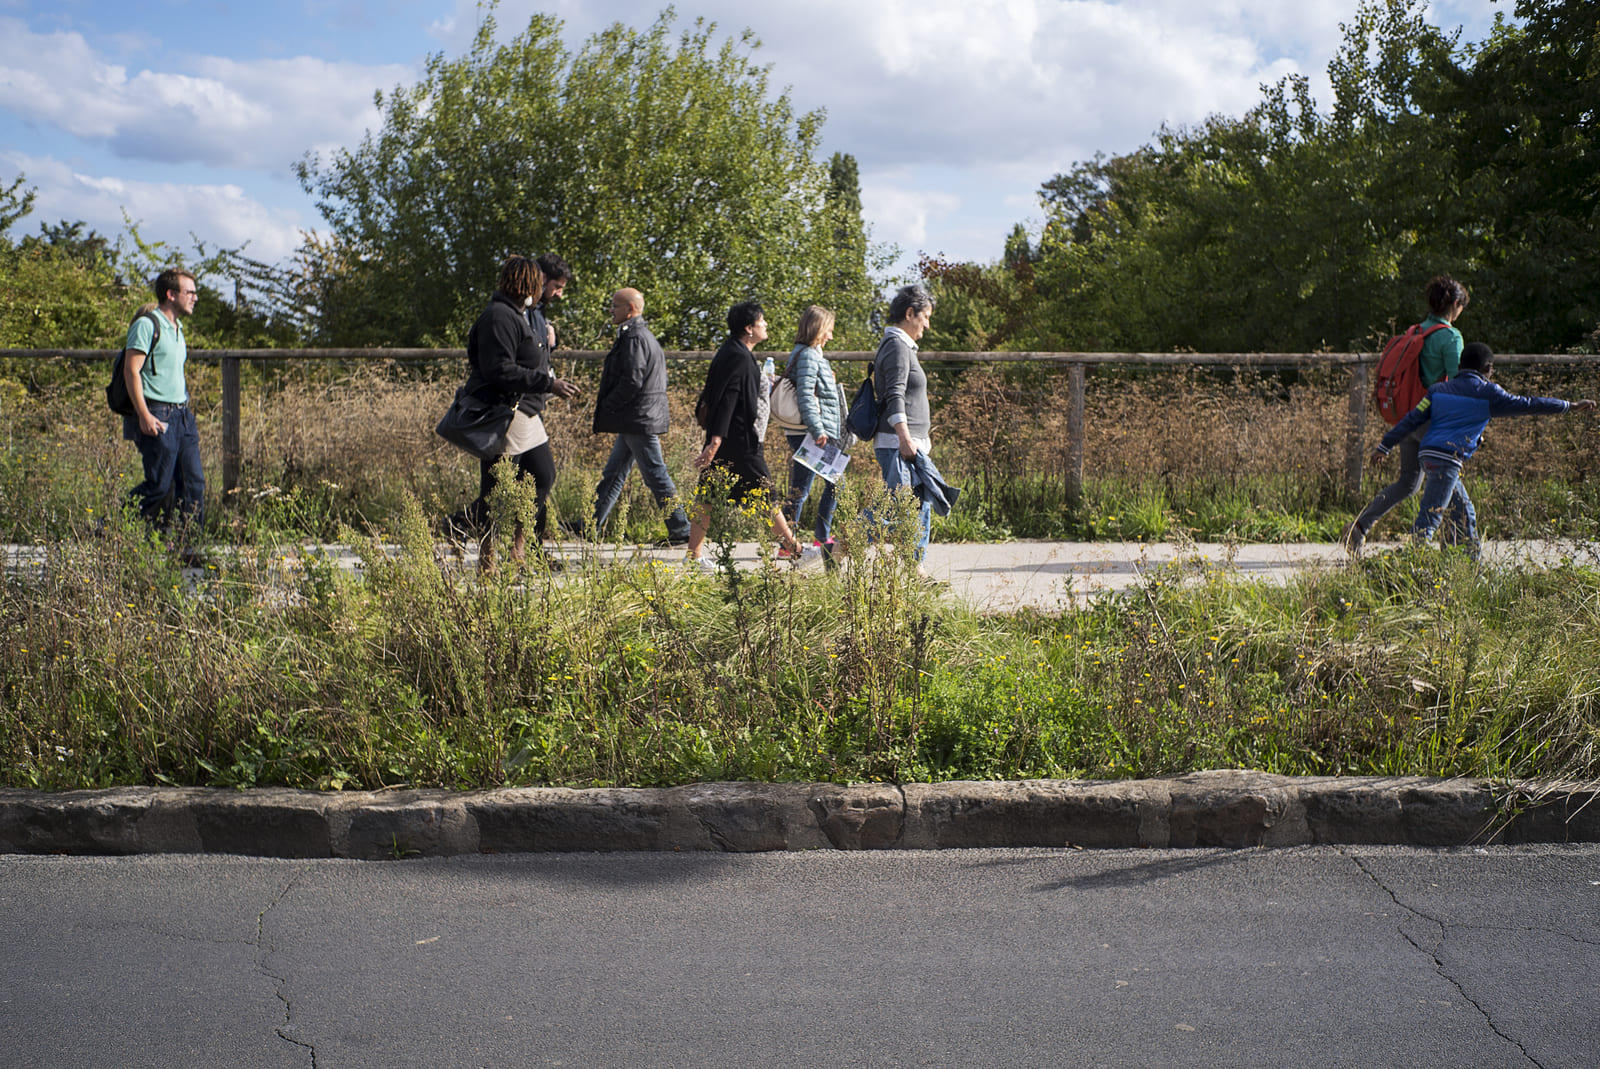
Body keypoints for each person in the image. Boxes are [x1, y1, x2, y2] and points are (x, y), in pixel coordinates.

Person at [1371, 341, 1594, 553]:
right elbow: (1529, 404)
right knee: (1429, 518)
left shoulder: (1437, 390)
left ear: (1459, 367)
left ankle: (1470, 566)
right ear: (1489, 368)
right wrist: (1569, 406)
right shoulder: (1489, 393)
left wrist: (1385, 445)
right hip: (1447, 459)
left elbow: (1411, 419)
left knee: (1464, 512)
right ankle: (1406, 567)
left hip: (1428, 454)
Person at [452, 255, 581, 571]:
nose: (543, 289)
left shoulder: (520, 314)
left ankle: (518, 552)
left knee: (541, 477)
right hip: (505, 411)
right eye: (539, 283)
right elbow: (499, 369)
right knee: (497, 490)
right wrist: (548, 383)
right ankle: (487, 563)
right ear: (526, 285)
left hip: (526, 411)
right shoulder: (499, 317)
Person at [684, 300, 819, 570]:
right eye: (762, 321)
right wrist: (716, 440)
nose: (766, 325)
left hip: (730, 439)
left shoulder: (734, 352)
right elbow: (727, 400)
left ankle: (694, 557)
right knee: (765, 494)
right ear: (749, 328)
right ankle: (795, 550)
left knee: (708, 497)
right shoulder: (737, 356)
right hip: (738, 441)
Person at [1344, 275, 1471, 554]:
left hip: (1408, 417)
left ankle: (1360, 526)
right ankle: (1457, 553)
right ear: (1454, 304)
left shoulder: (1415, 331)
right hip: (1433, 422)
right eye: (1462, 305)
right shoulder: (1450, 337)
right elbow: (1459, 384)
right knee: (1449, 485)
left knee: (1409, 483)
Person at [591, 287, 691, 545]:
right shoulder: (642, 335)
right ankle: (590, 525)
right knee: (614, 473)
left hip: (638, 418)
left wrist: (609, 405)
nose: (611, 310)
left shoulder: (634, 338)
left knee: (656, 474)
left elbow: (632, 380)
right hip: (637, 417)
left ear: (630, 310)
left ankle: (681, 529)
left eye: (615, 305)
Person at [122, 267, 205, 565]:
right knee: (159, 485)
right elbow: (131, 370)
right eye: (190, 292)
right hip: (157, 414)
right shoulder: (148, 325)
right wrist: (143, 414)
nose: (195, 297)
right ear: (171, 294)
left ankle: (190, 551)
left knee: (193, 484)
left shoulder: (178, 328)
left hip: (182, 416)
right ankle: (113, 527)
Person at [872, 284, 941, 567]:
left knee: (919, 504)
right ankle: (840, 547)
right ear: (910, 313)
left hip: (908, 443)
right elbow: (894, 395)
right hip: (898, 444)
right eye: (925, 317)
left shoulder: (903, 347)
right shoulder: (898, 347)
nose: (927, 325)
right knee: (893, 507)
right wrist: (904, 438)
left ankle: (917, 569)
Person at [777, 305, 843, 559]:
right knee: (834, 483)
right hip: (812, 432)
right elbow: (805, 395)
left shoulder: (811, 353)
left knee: (803, 486)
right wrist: (817, 429)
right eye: (829, 330)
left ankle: (792, 541)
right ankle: (819, 538)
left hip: (809, 431)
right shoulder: (808, 356)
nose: (831, 336)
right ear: (818, 329)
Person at [532, 253, 571, 351]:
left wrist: (551, 342)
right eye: (557, 287)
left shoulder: (539, 310)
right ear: (543, 278)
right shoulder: (521, 310)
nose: (559, 295)